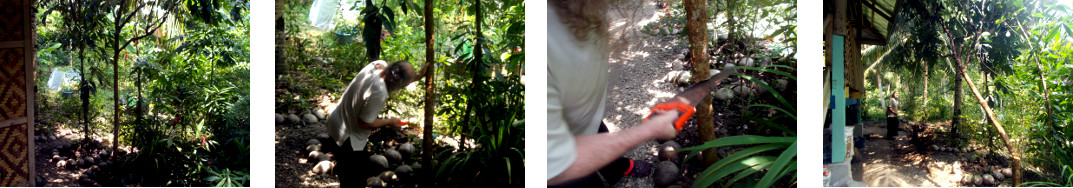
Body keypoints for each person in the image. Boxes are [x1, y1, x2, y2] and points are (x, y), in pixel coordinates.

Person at [547, 1, 687, 187]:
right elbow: (555, 160)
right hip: (560, 167)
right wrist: (647, 130)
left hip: (581, 116)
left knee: (596, 128)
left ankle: (617, 168)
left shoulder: (578, 8)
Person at [326, 59, 429, 186]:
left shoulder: (377, 65)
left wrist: (417, 75)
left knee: (349, 168)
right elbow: (364, 123)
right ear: (398, 84)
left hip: (336, 121)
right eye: (404, 85)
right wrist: (390, 121)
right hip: (347, 135)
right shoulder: (379, 92)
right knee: (354, 179)